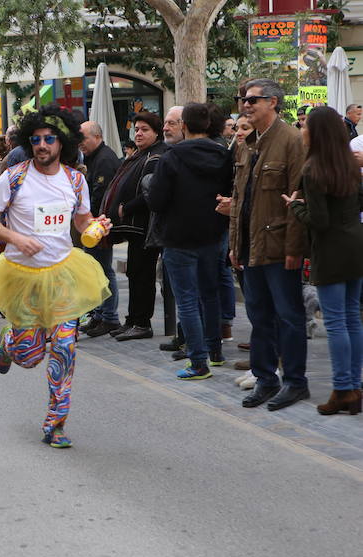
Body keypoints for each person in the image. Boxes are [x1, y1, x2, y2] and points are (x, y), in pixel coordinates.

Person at [0, 104, 111, 448]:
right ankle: (10, 344)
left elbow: (83, 225)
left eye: (50, 139)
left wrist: (97, 227)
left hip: (64, 275)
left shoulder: (75, 179)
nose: (42, 145)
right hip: (22, 277)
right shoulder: (14, 177)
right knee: (29, 356)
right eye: (36, 139)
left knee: (66, 347)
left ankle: (56, 424)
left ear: (63, 142)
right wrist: (16, 238)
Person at [230, 78, 309, 411]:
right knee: (259, 316)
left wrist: (294, 248)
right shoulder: (250, 143)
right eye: (243, 100)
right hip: (251, 245)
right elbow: (239, 199)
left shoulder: (291, 140)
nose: (245, 105)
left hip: (278, 246)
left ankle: (295, 382)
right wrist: (235, 245)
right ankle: (265, 378)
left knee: (289, 316)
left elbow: (297, 197)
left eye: (252, 100)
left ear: (273, 103)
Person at [285, 106, 363, 415]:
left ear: (316, 133)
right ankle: (355, 387)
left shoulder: (313, 169)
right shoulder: (350, 164)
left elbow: (317, 220)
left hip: (331, 249)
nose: (302, 129)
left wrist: (294, 206)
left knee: (336, 322)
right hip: (357, 243)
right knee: (352, 318)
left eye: (306, 126)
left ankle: (342, 389)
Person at [148, 102, 233, 380]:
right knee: (210, 295)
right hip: (212, 233)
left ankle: (198, 362)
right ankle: (215, 352)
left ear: (184, 125)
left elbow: (158, 200)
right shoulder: (224, 155)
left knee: (186, 300)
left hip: (179, 236)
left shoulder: (172, 157)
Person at [98, 112, 168, 341]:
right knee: (135, 273)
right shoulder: (142, 154)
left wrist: (125, 208)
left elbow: (151, 192)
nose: (138, 133)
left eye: (144, 129)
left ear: (156, 132)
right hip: (135, 228)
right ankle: (132, 319)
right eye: (136, 129)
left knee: (143, 274)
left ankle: (142, 323)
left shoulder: (156, 156)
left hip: (146, 227)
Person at [79, 120, 122, 337]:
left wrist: (87, 218)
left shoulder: (104, 158)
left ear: (97, 136)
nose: (80, 143)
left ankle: (110, 317)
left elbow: (99, 195)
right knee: (96, 270)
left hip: (99, 224)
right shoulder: (92, 157)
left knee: (104, 270)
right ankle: (99, 315)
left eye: (83, 138)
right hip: (92, 224)